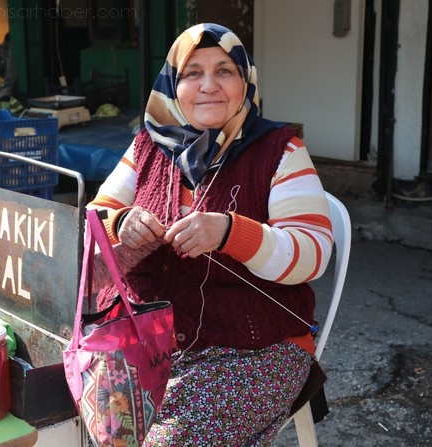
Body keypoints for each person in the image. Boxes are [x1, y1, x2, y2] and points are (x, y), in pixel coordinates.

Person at [87, 23, 334, 446]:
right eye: (192, 73)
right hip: (147, 337)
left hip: (255, 350)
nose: (208, 86)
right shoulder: (148, 145)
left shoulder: (281, 150)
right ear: (172, 85)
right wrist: (121, 225)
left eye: (224, 71)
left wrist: (229, 232)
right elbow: (95, 220)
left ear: (245, 81)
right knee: (100, 428)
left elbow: (312, 252)